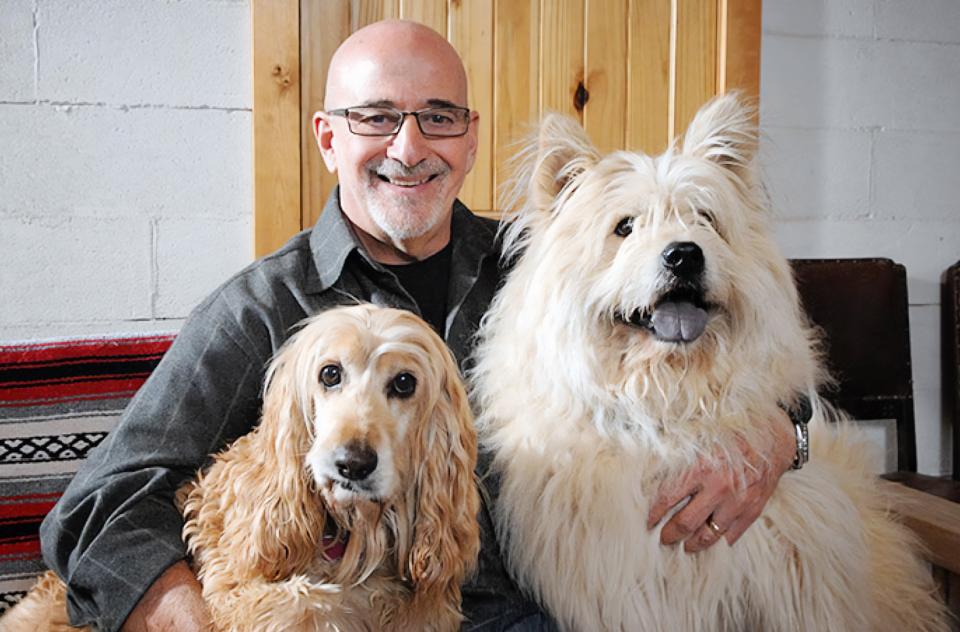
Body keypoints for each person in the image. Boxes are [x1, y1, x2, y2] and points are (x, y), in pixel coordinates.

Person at [39, 20, 799, 632]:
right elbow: (100, 503)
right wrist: (190, 622)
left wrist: (780, 436)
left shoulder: (542, 266)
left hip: (537, 611)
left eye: (436, 118)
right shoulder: (263, 307)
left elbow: (739, 349)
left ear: (467, 141)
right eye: (376, 117)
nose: (409, 147)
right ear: (328, 137)